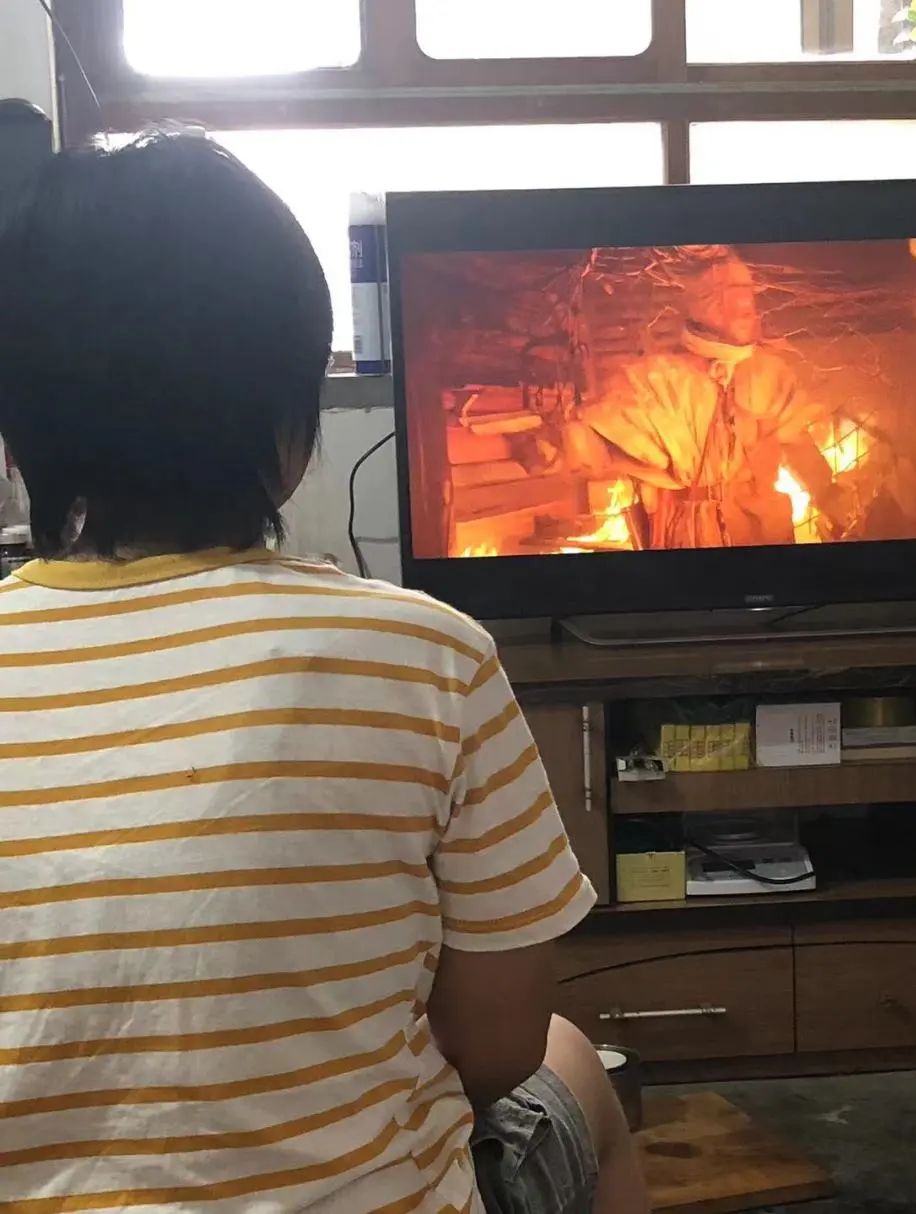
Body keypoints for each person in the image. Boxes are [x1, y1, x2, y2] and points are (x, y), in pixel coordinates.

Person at [0, 131, 648, 1214]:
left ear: (16, 437)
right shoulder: (432, 659)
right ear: (292, 431)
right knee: (575, 1059)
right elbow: (498, 1050)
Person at [564, 253, 853, 550]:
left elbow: (797, 441)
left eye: (747, 299)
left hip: (760, 527)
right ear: (704, 307)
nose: (745, 311)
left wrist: (826, 492)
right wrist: (590, 447)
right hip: (689, 532)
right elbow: (593, 441)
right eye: (730, 299)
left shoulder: (768, 374)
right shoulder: (659, 381)